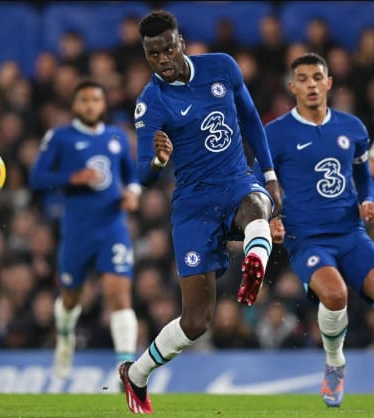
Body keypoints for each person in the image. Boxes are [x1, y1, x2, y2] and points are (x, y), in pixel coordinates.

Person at [118, 10, 282, 414]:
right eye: (153, 54)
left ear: (181, 42)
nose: (162, 59)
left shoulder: (222, 67)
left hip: (236, 181)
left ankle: (253, 261)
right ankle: (135, 375)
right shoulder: (150, 102)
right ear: (147, 56)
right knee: (195, 322)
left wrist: (270, 172)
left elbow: (249, 119)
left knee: (259, 204)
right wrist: (157, 162)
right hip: (193, 206)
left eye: (167, 48)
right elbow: (143, 172)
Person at [255, 52, 374, 407]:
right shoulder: (274, 134)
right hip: (305, 237)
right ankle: (335, 362)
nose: (311, 84)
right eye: (303, 79)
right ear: (292, 87)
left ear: (329, 82)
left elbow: (363, 177)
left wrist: (368, 199)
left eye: (317, 77)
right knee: (335, 295)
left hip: (351, 233)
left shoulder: (352, 128)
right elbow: (255, 183)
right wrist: (268, 217)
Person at [29, 79, 140, 379]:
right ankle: (65, 336)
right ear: (75, 105)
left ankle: (126, 368)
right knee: (71, 297)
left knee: (119, 295)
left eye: (96, 100)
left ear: (103, 104)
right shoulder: (60, 137)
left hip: (112, 226)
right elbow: (37, 177)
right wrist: (71, 177)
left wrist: (133, 195)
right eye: (84, 100)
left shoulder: (117, 136)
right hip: (77, 230)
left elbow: (131, 177)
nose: (90, 105)